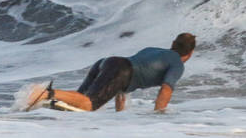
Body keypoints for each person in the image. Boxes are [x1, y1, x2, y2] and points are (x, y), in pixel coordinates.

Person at [29, 32, 196, 113]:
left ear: (173, 43)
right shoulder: (177, 64)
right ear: (190, 53)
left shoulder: (153, 50)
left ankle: (41, 102)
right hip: (120, 70)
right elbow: (166, 90)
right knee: (89, 104)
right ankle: (45, 93)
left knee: (77, 100)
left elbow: (120, 87)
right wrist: (158, 115)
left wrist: (119, 117)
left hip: (107, 62)